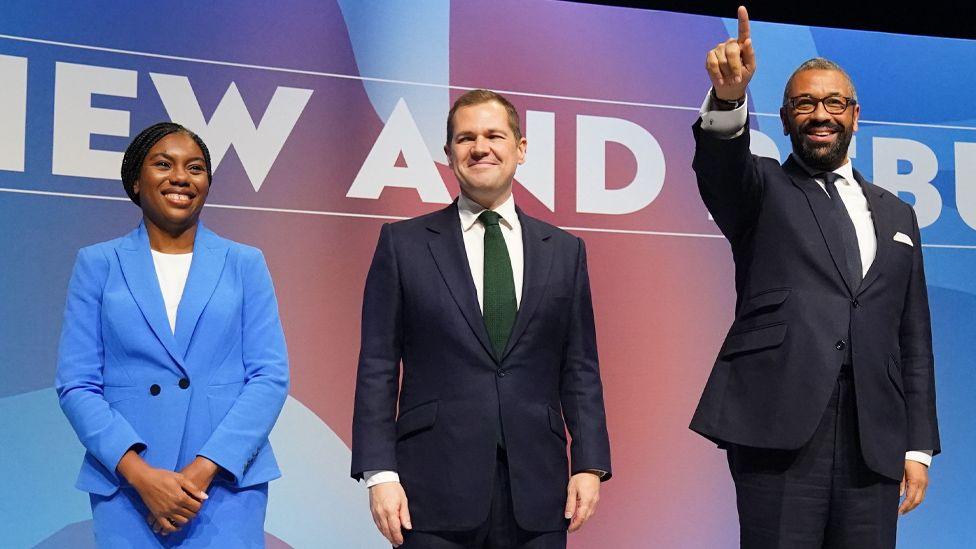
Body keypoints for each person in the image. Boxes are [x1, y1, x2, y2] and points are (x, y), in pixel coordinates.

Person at [689, 7, 940, 548]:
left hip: (873, 438)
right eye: (804, 104)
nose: (820, 114)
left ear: (855, 115)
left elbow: (913, 339)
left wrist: (917, 446)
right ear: (783, 119)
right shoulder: (760, 189)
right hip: (778, 428)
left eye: (833, 103)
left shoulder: (898, 215)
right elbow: (719, 167)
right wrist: (730, 98)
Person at [351, 89, 612, 548]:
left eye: (494, 135)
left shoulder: (566, 251)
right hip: (429, 490)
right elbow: (377, 366)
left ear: (521, 148)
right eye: (465, 137)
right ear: (449, 153)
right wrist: (379, 473)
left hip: (538, 491)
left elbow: (580, 368)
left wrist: (590, 464)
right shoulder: (403, 245)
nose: (480, 147)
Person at [55, 122, 289, 547]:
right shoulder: (98, 264)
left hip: (223, 489)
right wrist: (142, 478)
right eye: (163, 164)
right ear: (135, 180)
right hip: (127, 491)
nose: (181, 177)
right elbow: (77, 384)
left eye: (195, 168)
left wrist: (201, 471)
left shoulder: (244, 263)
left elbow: (269, 378)